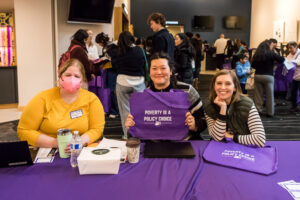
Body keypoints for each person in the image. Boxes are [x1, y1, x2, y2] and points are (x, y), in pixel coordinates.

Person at [17, 59, 105, 150]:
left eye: (76, 76)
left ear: (82, 80)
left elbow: (97, 129)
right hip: (47, 148)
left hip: (79, 150)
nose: (72, 79)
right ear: (60, 77)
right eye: (68, 75)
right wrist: (56, 143)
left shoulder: (91, 99)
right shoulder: (43, 98)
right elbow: (24, 130)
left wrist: (80, 141)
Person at [125, 52, 207, 140]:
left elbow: (203, 120)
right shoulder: (143, 96)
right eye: (154, 68)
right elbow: (138, 129)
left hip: (183, 143)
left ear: (171, 71)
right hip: (153, 144)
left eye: (163, 68)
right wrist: (132, 126)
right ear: (149, 72)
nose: (159, 72)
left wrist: (194, 125)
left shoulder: (187, 90)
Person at [204, 69, 266, 147]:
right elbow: (217, 138)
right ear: (214, 86)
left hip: (243, 148)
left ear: (235, 88)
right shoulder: (209, 106)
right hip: (220, 148)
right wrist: (223, 109)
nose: (223, 87)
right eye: (219, 83)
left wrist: (232, 137)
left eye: (228, 84)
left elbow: (260, 139)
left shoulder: (246, 104)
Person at [109, 31, 146, 138]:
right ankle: (141, 134)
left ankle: (127, 135)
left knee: (125, 110)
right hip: (138, 82)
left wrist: (116, 43)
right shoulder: (139, 50)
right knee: (140, 110)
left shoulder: (117, 51)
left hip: (122, 82)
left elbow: (110, 50)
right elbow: (143, 65)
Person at [252, 40, 285, 117]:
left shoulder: (256, 55)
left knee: (258, 95)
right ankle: (270, 113)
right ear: (268, 46)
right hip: (268, 77)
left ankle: (258, 111)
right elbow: (282, 60)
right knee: (269, 95)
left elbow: (253, 66)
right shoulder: (271, 54)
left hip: (258, 76)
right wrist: (276, 55)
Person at [95, 32, 119, 118]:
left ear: (102, 40)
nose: (99, 44)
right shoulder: (106, 47)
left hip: (113, 70)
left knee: (112, 91)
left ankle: (115, 111)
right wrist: (100, 58)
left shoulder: (113, 46)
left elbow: (115, 59)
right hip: (108, 70)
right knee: (107, 90)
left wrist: (105, 59)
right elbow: (105, 56)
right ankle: (108, 109)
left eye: (99, 42)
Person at [286, 41, 300, 112]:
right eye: (288, 48)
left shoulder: (299, 53)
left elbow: (298, 62)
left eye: (291, 48)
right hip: (294, 77)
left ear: (296, 47)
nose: (290, 50)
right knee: (293, 92)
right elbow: (286, 61)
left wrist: (291, 61)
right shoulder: (290, 54)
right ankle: (294, 106)